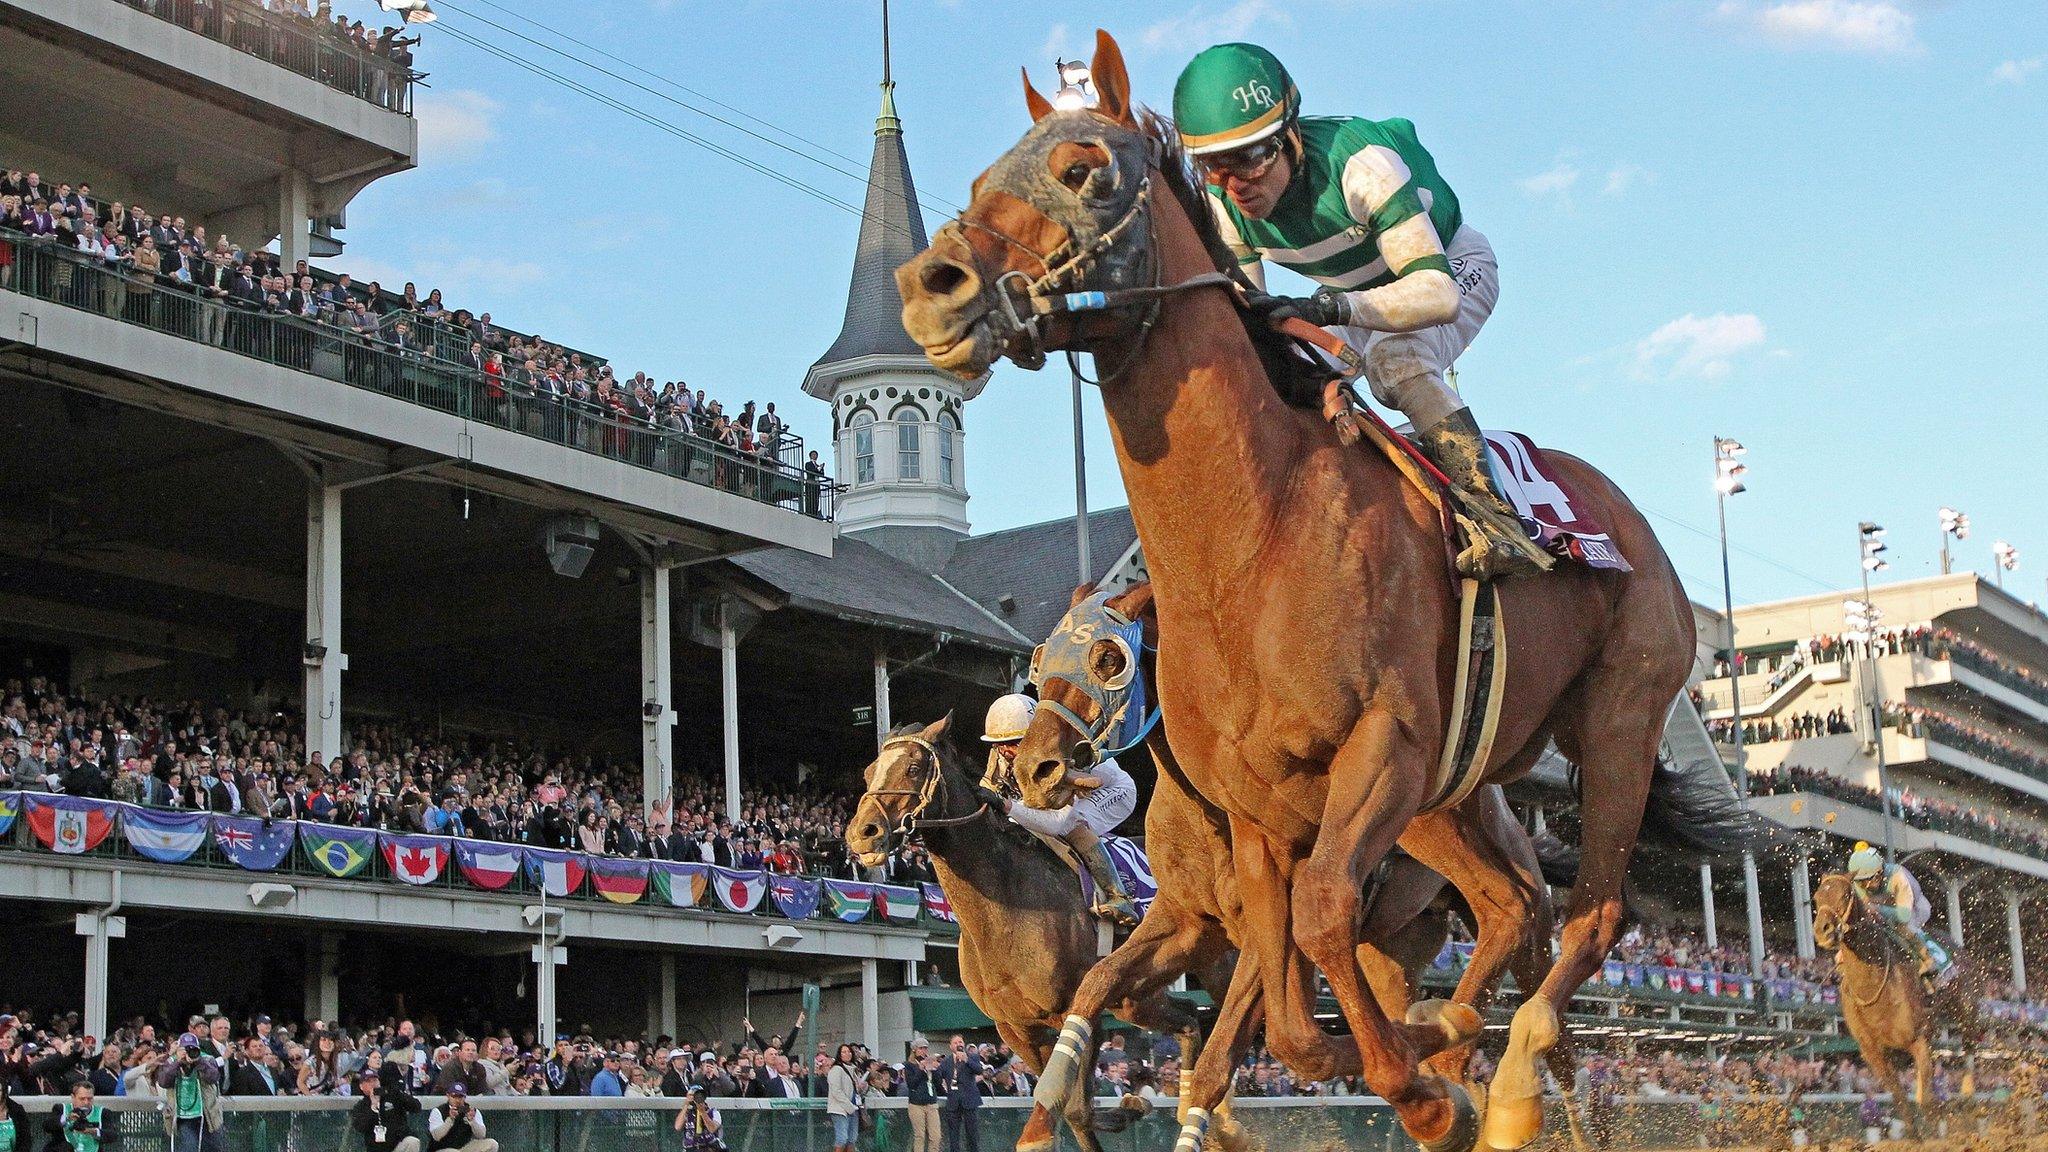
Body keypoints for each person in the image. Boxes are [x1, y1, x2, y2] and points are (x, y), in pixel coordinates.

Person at [1172, 42, 1538, 579]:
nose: (1235, 186)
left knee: (1397, 364)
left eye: (1249, 158)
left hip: (1447, 269)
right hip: (1345, 300)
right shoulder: (1225, 206)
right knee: (1277, 378)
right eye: (1212, 167)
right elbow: (1250, 325)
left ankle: (1498, 521)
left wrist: (1324, 306)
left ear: (1290, 135)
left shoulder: (1361, 165)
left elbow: (1436, 294)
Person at [976, 695, 1140, 925]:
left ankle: (1119, 898)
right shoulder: (1000, 755)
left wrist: (1007, 806)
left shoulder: (1058, 751)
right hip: (1067, 798)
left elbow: (1056, 823)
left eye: (1016, 742)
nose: (1007, 751)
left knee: (1072, 825)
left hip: (1114, 791)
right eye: (1000, 744)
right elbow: (987, 790)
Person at [1846, 842, 1954, 987]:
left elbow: (1904, 915)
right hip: (1887, 909)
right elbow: (1865, 908)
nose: (1865, 887)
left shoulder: (1898, 876)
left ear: (1879, 873)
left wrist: (1877, 909)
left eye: (1867, 881)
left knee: (1903, 927)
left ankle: (1930, 960)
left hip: (1915, 909)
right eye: (1860, 883)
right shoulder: (1859, 881)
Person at [154, 1035, 222, 1152]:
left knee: (212, 1148)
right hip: (182, 1116)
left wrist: (199, 1061)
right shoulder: (171, 1061)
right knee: (189, 1147)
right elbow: (163, 1082)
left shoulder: (207, 1059)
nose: (189, 1052)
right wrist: (178, 1062)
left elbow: (214, 1077)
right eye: (185, 1049)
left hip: (206, 1114)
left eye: (193, 1049)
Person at [349, 1069, 421, 1152]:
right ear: (361, 1086)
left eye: (375, 1080)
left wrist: (396, 1092)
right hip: (377, 1148)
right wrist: (373, 1107)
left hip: (398, 1143)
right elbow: (360, 1127)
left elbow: (416, 1107)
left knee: (412, 1142)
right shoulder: (361, 1106)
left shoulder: (393, 1096)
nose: (373, 1084)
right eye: (368, 1081)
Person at [936, 1035, 982, 1152]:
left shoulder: (973, 1057)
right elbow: (937, 1078)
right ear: (951, 1046)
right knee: (953, 1136)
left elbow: (979, 1070)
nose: (959, 1044)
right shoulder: (946, 1062)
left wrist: (966, 1059)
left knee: (972, 1134)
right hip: (953, 1102)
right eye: (955, 1043)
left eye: (960, 1042)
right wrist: (933, 1067)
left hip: (969, 1101)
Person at [43, 1081, 114, 1152]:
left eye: (90, 1099)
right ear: (73, 1097)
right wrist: (67, 1119)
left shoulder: (103, 1112)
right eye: (82, 1099)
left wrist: (93, 1131)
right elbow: (47, 1126)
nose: (86, 1102)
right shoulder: (61, 1109)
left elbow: (112, 1135)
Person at [425, 1085, 495, 1152]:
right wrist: (450, 1119)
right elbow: (436, 1136)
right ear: (448, 1096)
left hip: (465, 1146)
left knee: (492, 1144)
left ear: (465, 1097)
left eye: (460, 1097)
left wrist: (472, 1121)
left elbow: (481, 1135)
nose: (457, 1100)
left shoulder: (471, 1111)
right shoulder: (438, 1111)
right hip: (443, 1148)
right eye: (454, 1096)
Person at [904, 1038, 939, 1152]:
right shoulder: (909, 1065)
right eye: (921, 1048)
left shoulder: (929, 1062)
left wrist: (935, 1068)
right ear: (914, 1050)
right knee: (919, 1135)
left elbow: (938, 1082)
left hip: (931, 1102)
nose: (923, 1051)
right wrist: (920, 1069)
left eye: (925, 1048)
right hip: (916, 1104)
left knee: (936, 1136)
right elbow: (911, 1084)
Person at [825, 1045, 860, 1152]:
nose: (847, 1054)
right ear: (839, 1055)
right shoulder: (836, 1069)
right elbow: (836, 1091)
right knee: (842, 1138)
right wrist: (849, 1106)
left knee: (852, 1139)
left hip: (853, 1108)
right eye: (843, 1052)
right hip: (840, 1109)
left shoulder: (853, 1070)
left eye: (849, 1051)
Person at [671, 1084, 723, 1150]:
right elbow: (677, 1127)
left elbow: (712, 1129)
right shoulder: (687, 1113)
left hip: (709, 1146)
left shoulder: (713, 1112)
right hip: (691, 1147)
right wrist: (686, 1104)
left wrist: (702, 1112)